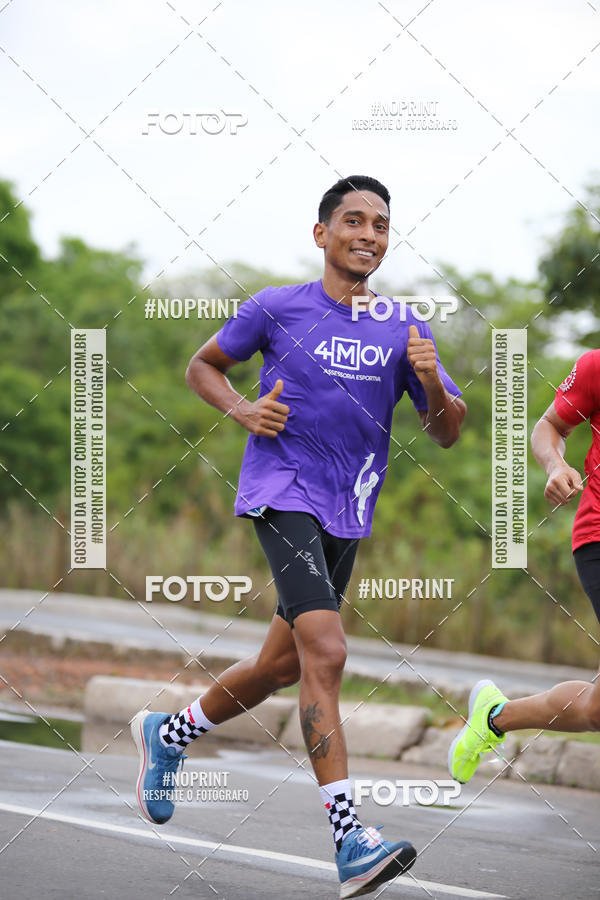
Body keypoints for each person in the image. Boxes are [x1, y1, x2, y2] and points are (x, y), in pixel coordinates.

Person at [131, 175, 466, 897]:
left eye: (380, 224)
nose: (369, 235)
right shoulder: (277, 309)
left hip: (349, 510)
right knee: (328, 649)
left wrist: (433, 384)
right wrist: (243, 410)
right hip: (283, 494)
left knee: (280, 667)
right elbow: (203, 365)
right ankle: (350, 839)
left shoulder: (406, 328)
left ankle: (169, 734)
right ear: (323, 234)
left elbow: (446, 434)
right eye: (353, 221)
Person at [448, 349, 600, 785]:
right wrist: (556, 465)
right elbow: (548, 426)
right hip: (598, 537)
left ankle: (495, 716)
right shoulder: (595, 367)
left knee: (595, 711)